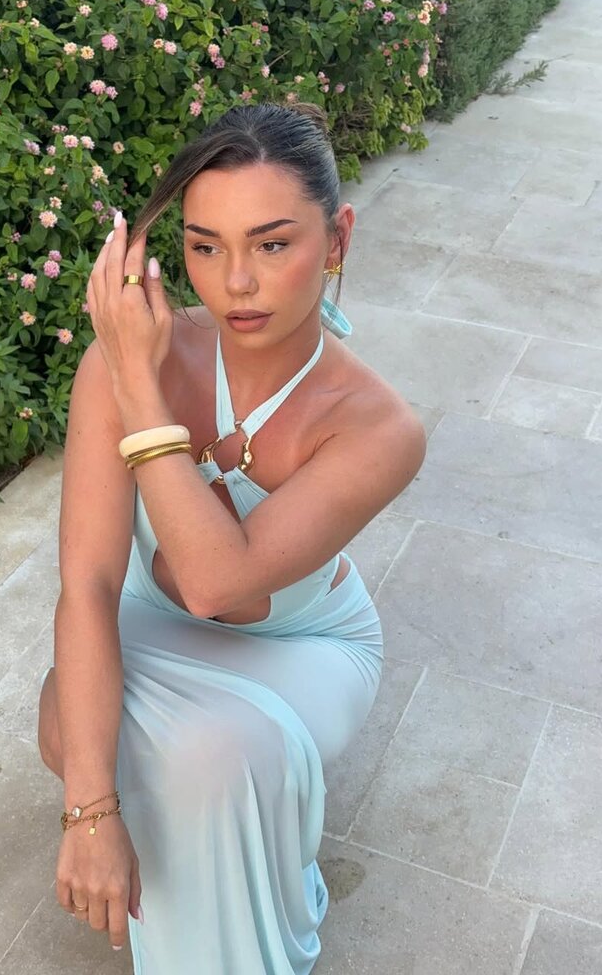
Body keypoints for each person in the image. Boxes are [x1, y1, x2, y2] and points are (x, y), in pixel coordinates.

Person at [36, 100, 427, 973]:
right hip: (151, 621)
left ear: (337, 239)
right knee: (70, 726)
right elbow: (89, 584)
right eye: (205, 247)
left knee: (213, 759)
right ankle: (243, 846)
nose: (235, 282)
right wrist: (89, 814)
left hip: (302, 645)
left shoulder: (379, 426)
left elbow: (218, 582)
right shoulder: (124, 360)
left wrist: (141, 393)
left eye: (272, 244)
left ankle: (260, 882)